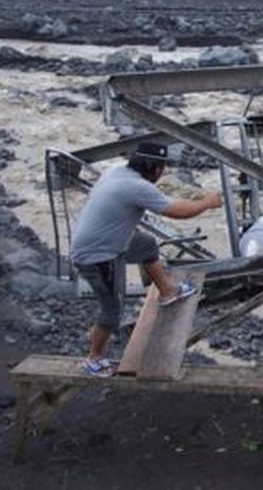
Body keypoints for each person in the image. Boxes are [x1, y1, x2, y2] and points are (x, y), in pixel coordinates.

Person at [69, 141, 222, 376]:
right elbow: (177, 211)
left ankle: (168, 291)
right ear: (155, 168)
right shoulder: (137, 187)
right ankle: (94, 357)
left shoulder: (116, 171)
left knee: (146, 244)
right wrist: (207, 203)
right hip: (98, 257)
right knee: (112, 310)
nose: (163, 172)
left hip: (107, 243)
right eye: (162, 167)